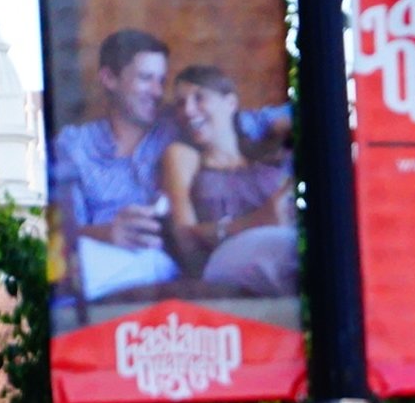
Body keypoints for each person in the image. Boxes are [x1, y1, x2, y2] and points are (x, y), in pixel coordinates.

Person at [49, 29, 288, 303]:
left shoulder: (179, 122)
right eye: (145, 78)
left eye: (161, 80)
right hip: (104, 258)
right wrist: (107, 232)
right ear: (110, 79)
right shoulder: (75, 145)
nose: (158, 92)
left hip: (167, 261)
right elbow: (60, 231)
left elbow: (242, 120)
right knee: (72, 269)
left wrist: (280, 125)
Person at [161, 65, 299, 297]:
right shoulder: (184, 156)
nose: (188, 110)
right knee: (287, 250)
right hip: (221, 260)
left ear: (230, 103)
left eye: (199, 98)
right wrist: (258, 220)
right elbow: (185, 239)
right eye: (181, 103)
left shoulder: (267, 157)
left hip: (277, 247)